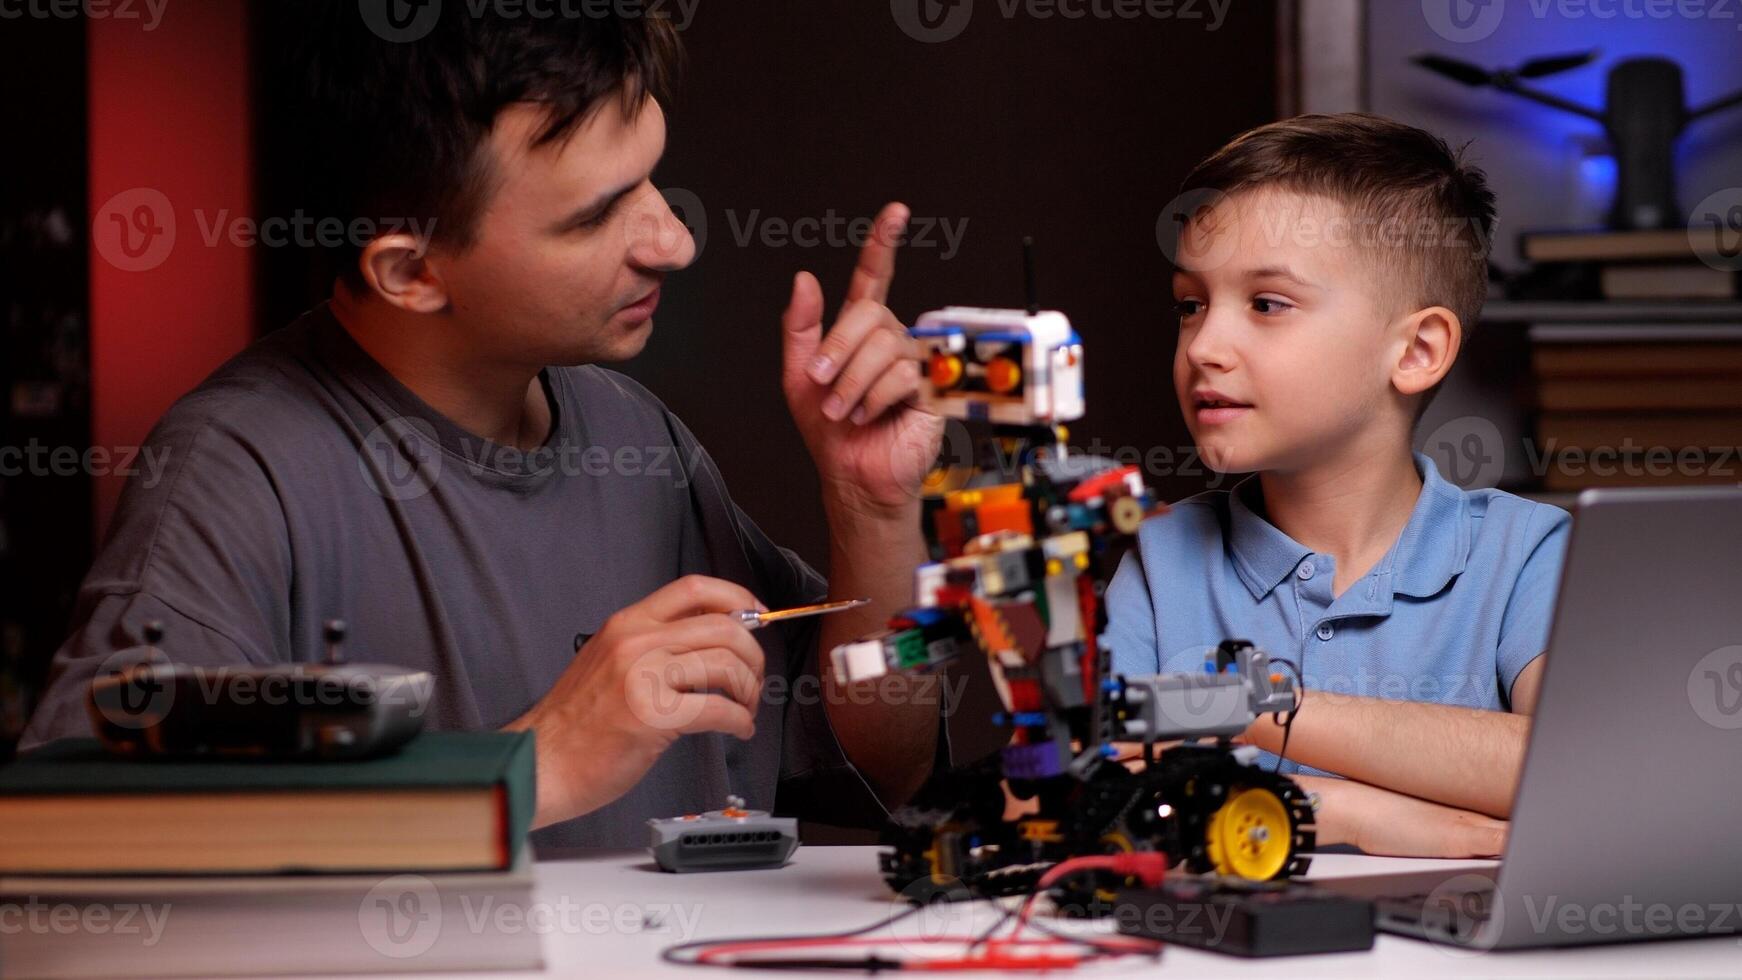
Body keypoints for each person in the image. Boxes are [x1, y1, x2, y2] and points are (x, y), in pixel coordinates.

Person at [21, 10, 949, 847]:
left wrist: (872, 515)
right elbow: (74, 847)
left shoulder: (636, 436)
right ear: (410, 272)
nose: (674, 239)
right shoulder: (237, 473)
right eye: (596, 216)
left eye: (652, 179)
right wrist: (529, 766)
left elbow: (887, 763)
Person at [1105, 113, 1570, 858]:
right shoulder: (1163, 561)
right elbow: (1082, 794)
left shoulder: (1527, 555)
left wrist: (1240, 711)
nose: (1205, 347)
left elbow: (1568, 764)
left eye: (1267, 304)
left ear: (1417, 350)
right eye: (1190, 305)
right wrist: (1337, 811)